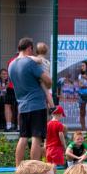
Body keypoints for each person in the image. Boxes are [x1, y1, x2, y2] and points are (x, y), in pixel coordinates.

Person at [8, 37, 52, 165]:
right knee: (36, 138)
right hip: (37, 105)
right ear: (29, 48)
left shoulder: (11, 65)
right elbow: (48, 81)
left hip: (22, 106)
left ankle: (18, 169)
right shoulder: (30, 63)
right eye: (32, 50)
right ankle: (34, 168)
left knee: (23, 137)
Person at [34, 42, 56, 110]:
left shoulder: (37, 59)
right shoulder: (47, 62)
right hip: (47, 79)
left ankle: (52, 107)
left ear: (36, 50)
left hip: (41, 80)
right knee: (48, 93)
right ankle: (51, 107)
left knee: (46, 93)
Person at [45, 105, 67, 170]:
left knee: (49, 162)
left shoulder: (48, 124)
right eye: (61, 115)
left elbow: (45, 136)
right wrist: (64, 145)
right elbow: (61, 135)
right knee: (54, 163)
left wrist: (45, 145)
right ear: (60, 114)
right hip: (56, 147)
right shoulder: (59, 124)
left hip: (48, 147)